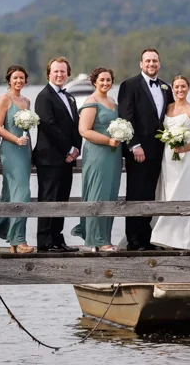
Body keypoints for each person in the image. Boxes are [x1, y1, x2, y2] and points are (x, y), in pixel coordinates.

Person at [117, 48, 174, 251]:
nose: (151, 64)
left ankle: (146, 237)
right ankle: (133, 240)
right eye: (148, 61)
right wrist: (134, 145)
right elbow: (126, 116)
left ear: (159, 63)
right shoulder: (129, 85)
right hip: (138, 150)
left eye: (155, 61)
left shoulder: (167, 87)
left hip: (159, 151)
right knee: (135, 193)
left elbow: (171, 117)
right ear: (141, 64)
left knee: (150, 193)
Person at [150, 75, 190, 250]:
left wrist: (185, 148)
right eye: (176, 87)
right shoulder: (167, 109)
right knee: (169, 191)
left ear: (188, 88)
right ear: (172, 88)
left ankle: (186, 236)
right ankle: (165, 236)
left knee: (185, 191)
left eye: (183, 87)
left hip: (188, 158)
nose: (180, 90)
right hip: (169, 158)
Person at [0, 65, 34, 253]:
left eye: (21, 78)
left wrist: (29, 146)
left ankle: (13, 238)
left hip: (25, 149)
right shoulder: (5, 99)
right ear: (9, 80)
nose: (18, 81)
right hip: (11, 149)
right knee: (23, 194)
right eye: (15, 78)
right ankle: (19, 239)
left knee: (13, 194)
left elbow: (28, 128)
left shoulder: (27, 101)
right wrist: (15, 139)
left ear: (25, 80)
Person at [33, 57, 82, 252]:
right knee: (48, 199)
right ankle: (45, 241)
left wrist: (76, 148)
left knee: (62, 200)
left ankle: (58, 239)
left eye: (63, 71)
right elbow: (49, 125)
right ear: (49, 74)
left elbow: (76, 125)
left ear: (68, 74)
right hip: (50, 158)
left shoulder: (69, 97)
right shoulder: (43, 97)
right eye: (56, 71)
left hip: (67, 158)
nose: (60, 74)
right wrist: (68, 149)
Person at [71, 67, 123, 252]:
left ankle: (105, 237)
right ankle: (95, 239)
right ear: (94, 82)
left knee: (110, 194)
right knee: (97, 193)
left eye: (108, 80)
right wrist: (108, 140)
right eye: (101, 80)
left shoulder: (112, 101)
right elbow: (84, 131)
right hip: (98, 153)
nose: (105, 83)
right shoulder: (91, 102)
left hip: (114, 154)